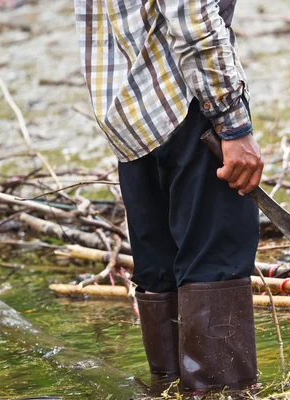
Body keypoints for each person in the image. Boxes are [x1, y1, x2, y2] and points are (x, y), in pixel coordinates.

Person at [73, 0, 264, 394]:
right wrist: (231, 121)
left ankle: (169, 388)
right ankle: (217, 391)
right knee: (216, 262)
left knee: (159, 269)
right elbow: (191, 16)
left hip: (127, 114)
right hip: (187, 104)